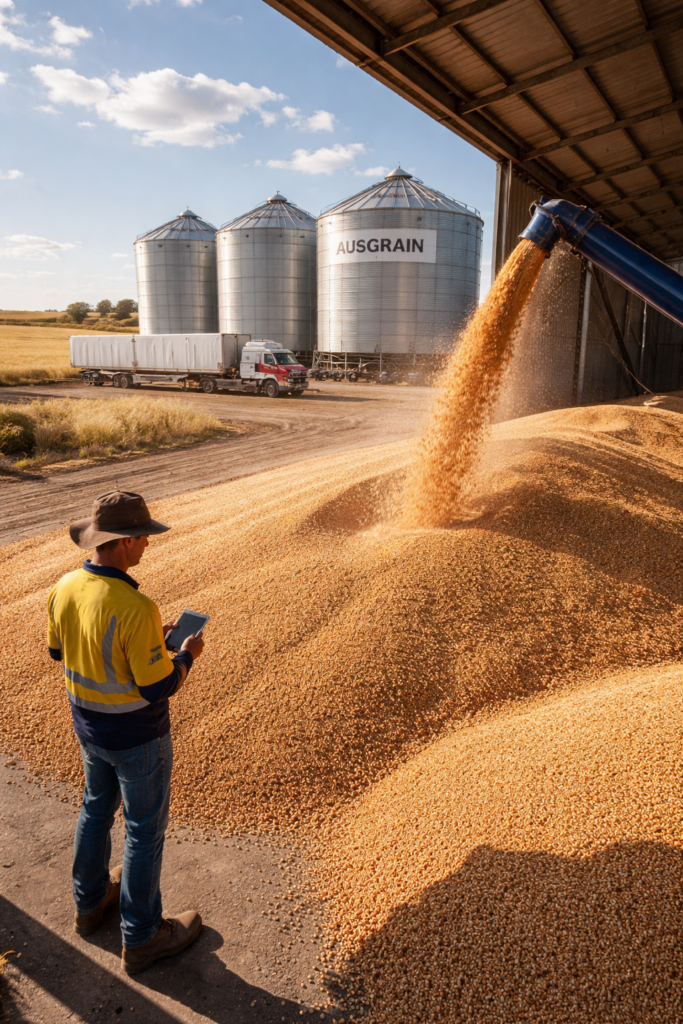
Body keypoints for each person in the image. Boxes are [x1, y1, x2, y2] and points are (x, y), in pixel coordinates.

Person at [47, 490, 206, 975]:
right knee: (143, 832)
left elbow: (62, 652)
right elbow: (158, 685)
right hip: (138, 738)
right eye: (143, 538)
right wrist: (185, 655)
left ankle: (90, 905)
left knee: (95, 811)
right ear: (123, 542)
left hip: (89, 730)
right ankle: (141, 937)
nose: (147, 546)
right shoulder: (135, 606)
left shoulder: (65, 586)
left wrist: (151, 641)